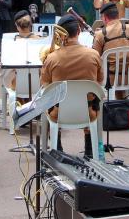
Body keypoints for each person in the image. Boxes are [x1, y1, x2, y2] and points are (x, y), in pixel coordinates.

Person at [39, 15, 104, 157]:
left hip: (59, 114)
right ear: (79, 31)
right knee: (92, 100)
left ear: (61, 34)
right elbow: (100, 82)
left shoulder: (51, 58)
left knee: (48, 102)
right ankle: (90, 150)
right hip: (88, 114)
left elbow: (45, 86)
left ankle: (57, 149)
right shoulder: (94, 55)